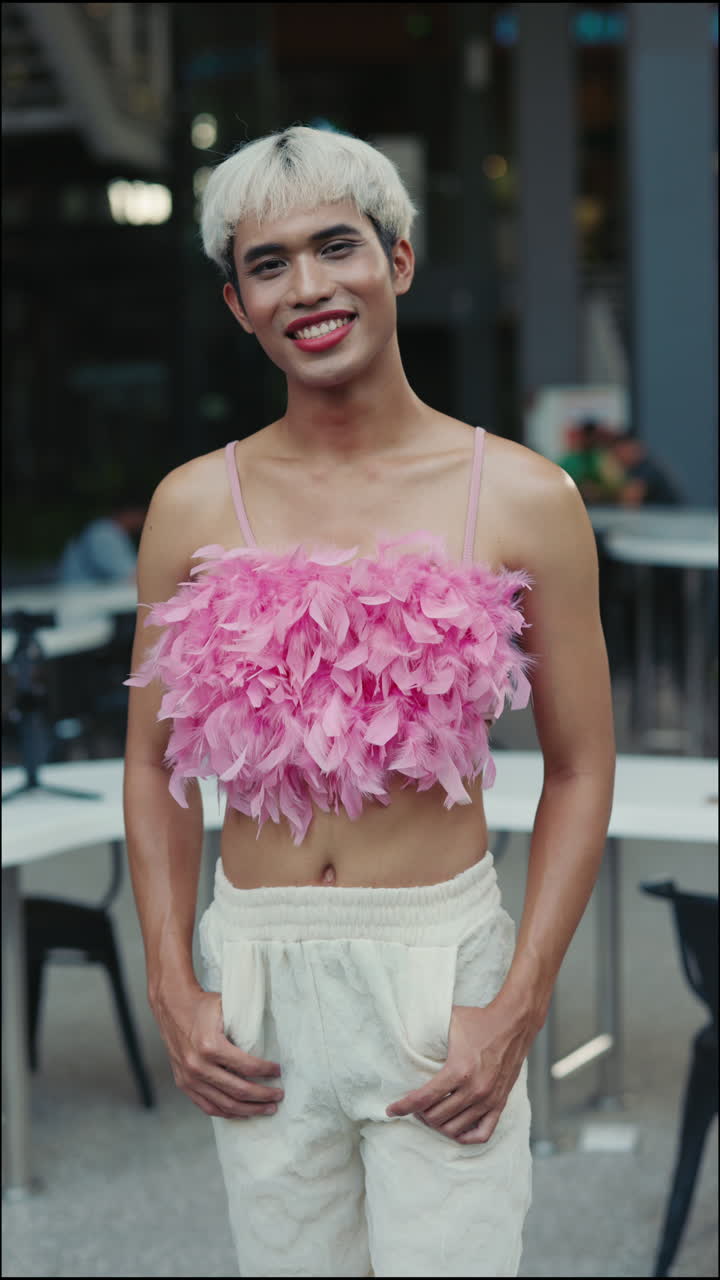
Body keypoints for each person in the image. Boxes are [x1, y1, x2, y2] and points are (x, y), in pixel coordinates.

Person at [123, 125, 615, 1278]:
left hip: (438, 966)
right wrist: (173, 982)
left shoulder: (524, 495)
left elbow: (582, 764)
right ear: (239, 304)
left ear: (397, 259)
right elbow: (151, 763)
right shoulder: (192, 504)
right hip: (258, 972)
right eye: (269, 264)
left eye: (335, 246)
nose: (308, 286)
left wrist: (519, 1001)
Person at [57, 497, 146, 584]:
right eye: (142, 514)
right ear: (129, 513)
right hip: (78, 591)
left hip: (82, 590)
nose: (144, 520)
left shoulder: (109, 531)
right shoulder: (104, 534)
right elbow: (130, 576)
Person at [556, 416, 624, 505]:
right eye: (588, 436)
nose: (590, 440)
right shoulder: (570, 460)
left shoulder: (603, 459)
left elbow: (617, 485)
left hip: (603, 505)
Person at [609, 430, 682, 507]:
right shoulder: (628, 469)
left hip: (673, 513)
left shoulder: (647, 468)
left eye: (623, 448)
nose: (618, 453)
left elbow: (629, 501)